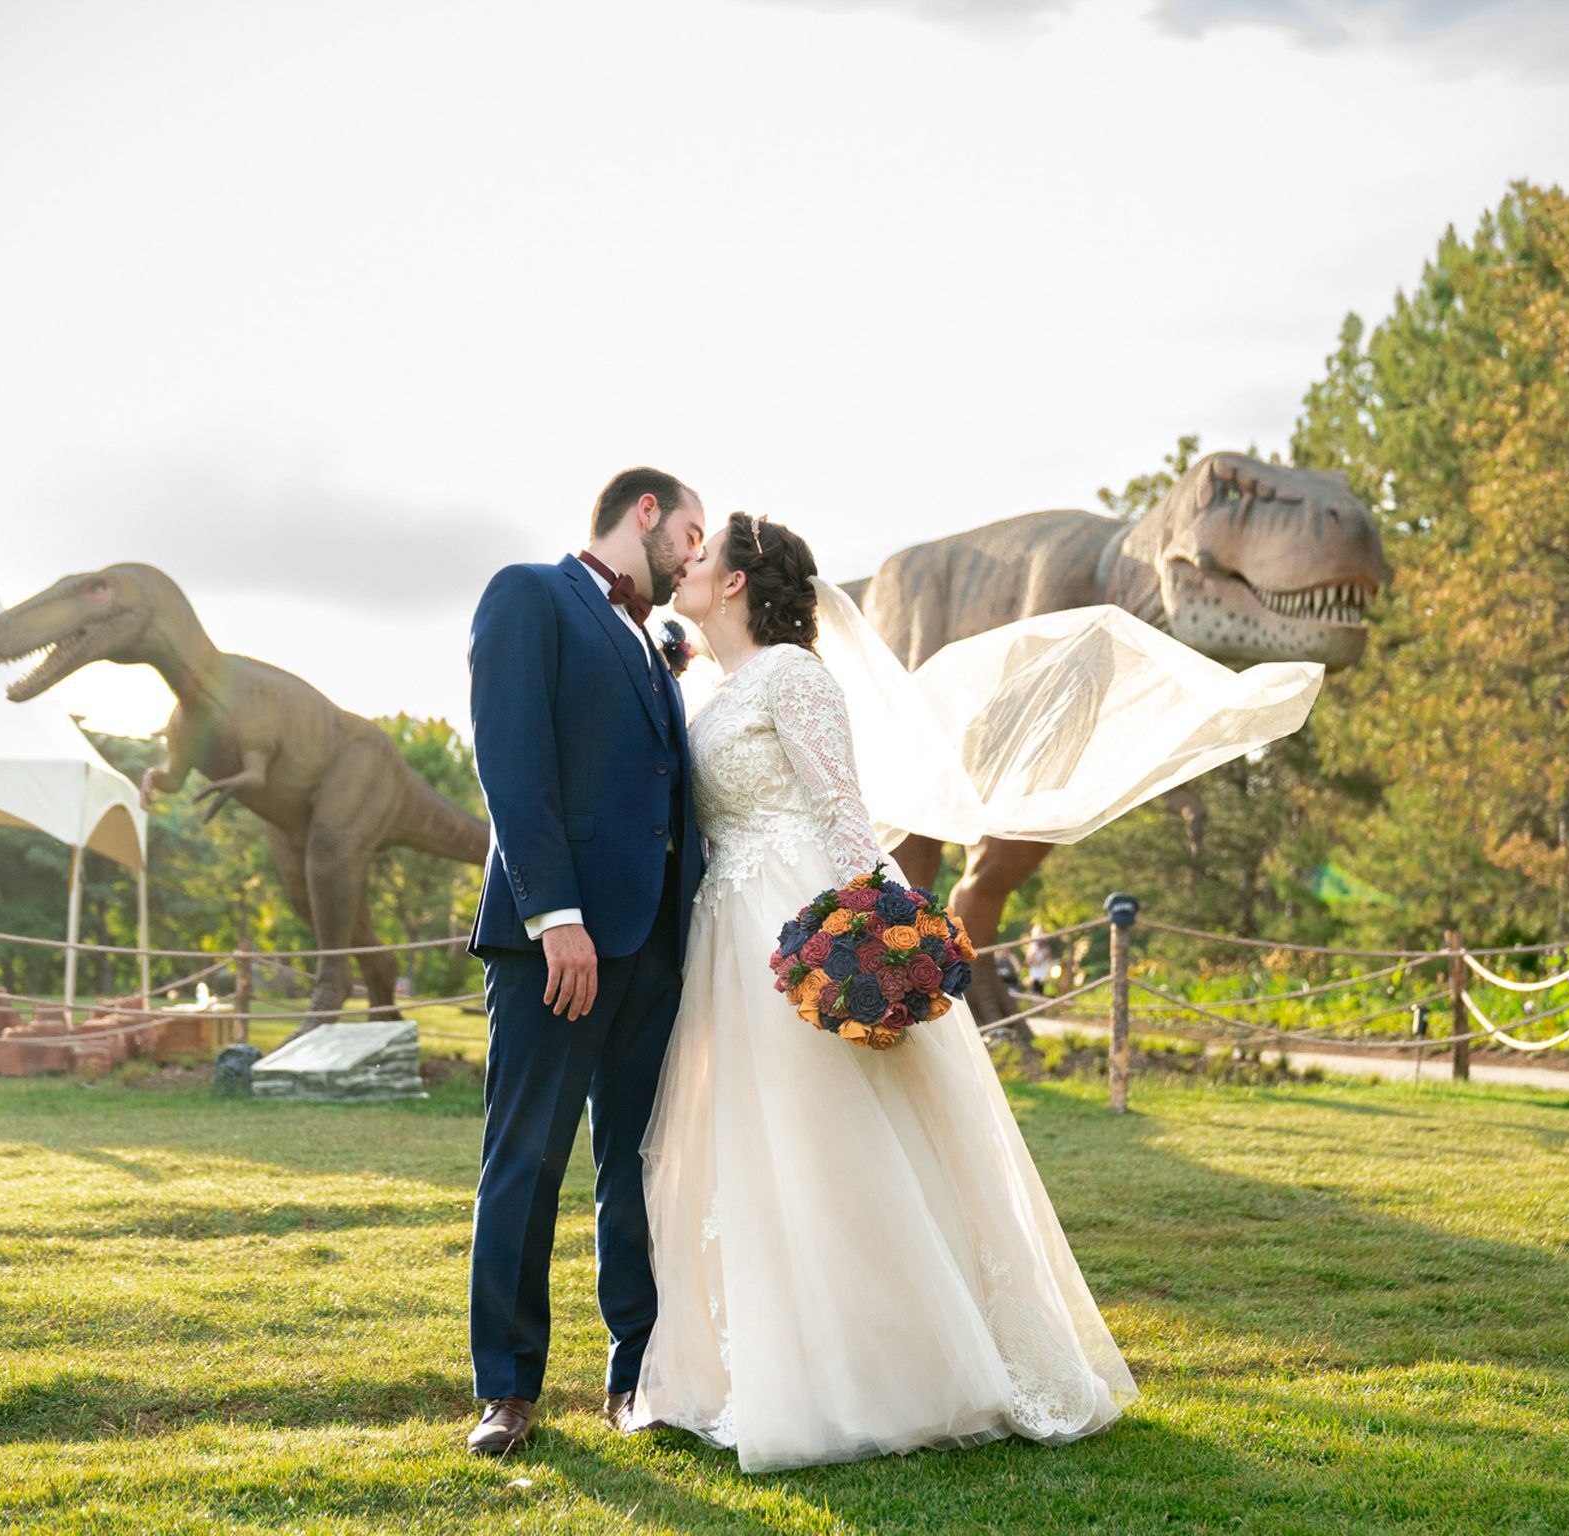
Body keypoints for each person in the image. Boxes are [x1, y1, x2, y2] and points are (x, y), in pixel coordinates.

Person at [632, 512, 1138, 1472]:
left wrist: (880, 947)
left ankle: (904, 1372)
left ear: (737, 583)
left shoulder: (794, 675)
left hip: (803, 925)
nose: (685, 566)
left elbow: (842, 815)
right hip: (729, 938)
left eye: (701, 557)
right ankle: (787, 1367)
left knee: (840, 1142)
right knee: (765, 1149)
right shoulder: (715, 690)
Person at [463, 467, 707, 1456]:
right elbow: (510, 761)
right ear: (643, 511)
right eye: (691, 533)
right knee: (525, 1159)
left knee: (638, 1168)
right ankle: (508, 1392)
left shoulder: (654, 646)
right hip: (556, 947)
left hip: (653, 950)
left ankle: (636, 1377)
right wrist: (554, 914)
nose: (696, 556)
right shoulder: (530, 593)